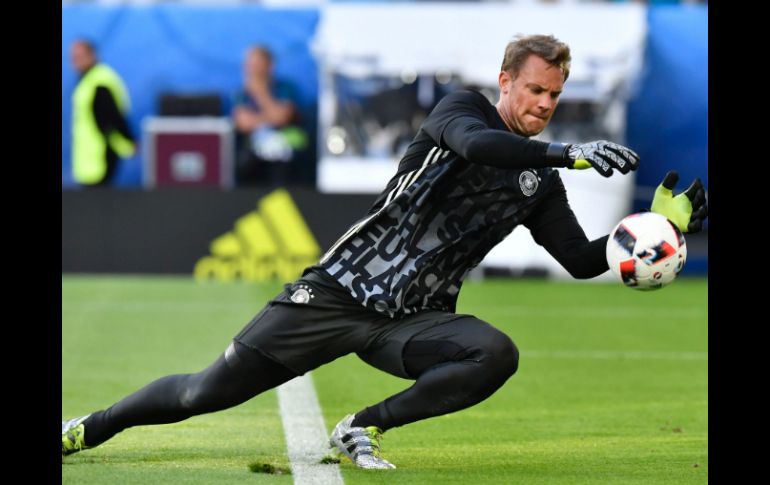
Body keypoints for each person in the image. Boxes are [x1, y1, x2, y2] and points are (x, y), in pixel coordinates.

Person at [62, 34, 707, 469]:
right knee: (201, 393)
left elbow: (582, 259)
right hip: (340, 291)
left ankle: (361, 426)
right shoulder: (462, 111)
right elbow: (480, 148)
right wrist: (566, 151)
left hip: (410, 320)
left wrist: (660, 230)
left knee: (494, 352)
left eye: (555, 96)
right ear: (505, 81)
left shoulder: (539, 181)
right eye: (535, 90)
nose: (544, 105)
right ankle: (91, 425)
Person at [232, 45, 307, 186]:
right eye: (249, 63)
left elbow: (282, 117)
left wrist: (261, 93)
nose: (251, 68)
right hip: (253, 151)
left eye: (256, 63)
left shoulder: (285, 88)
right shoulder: (241, 94)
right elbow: (243, 123)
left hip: (284, 151)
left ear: (270, 65)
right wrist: (269, 116)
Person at [69, 39, 136, 187]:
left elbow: (112, 116)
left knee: (100, 204)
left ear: (93, 55)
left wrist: (130, 138)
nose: (75, 62)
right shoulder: (87, 80)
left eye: (80, 57)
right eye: (73, 58)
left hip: (101, 155)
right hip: (89, 158)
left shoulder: (100, 82)